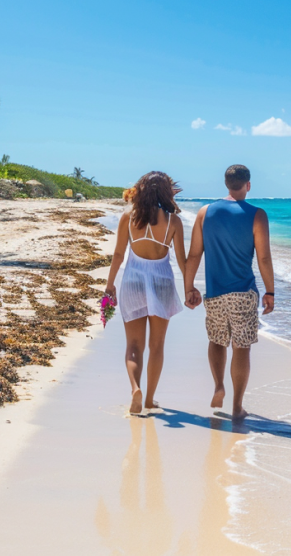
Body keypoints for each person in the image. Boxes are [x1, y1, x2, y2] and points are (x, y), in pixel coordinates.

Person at [184, 164, 274, 420]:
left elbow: (194, 254)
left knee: (216, 341)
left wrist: (189, 287)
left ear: (226, 184)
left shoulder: (205, 213)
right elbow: (264, 258)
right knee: (241, 347)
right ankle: (236, 406)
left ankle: (218, 386)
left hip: (214, 292)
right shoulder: (257, 215)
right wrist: (271, 292)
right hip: (243, 293)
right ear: (248, 185)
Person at [105, 171, 190, 414]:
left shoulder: (128, 218)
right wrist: (189, 288)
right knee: (157, 345)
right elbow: (182, 261)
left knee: (133, 345)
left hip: (133, 281)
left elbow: (119, 255)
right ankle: (150, 399)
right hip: (162, 282)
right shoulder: (173, 222)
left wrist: (110, 285)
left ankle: (135, 389)